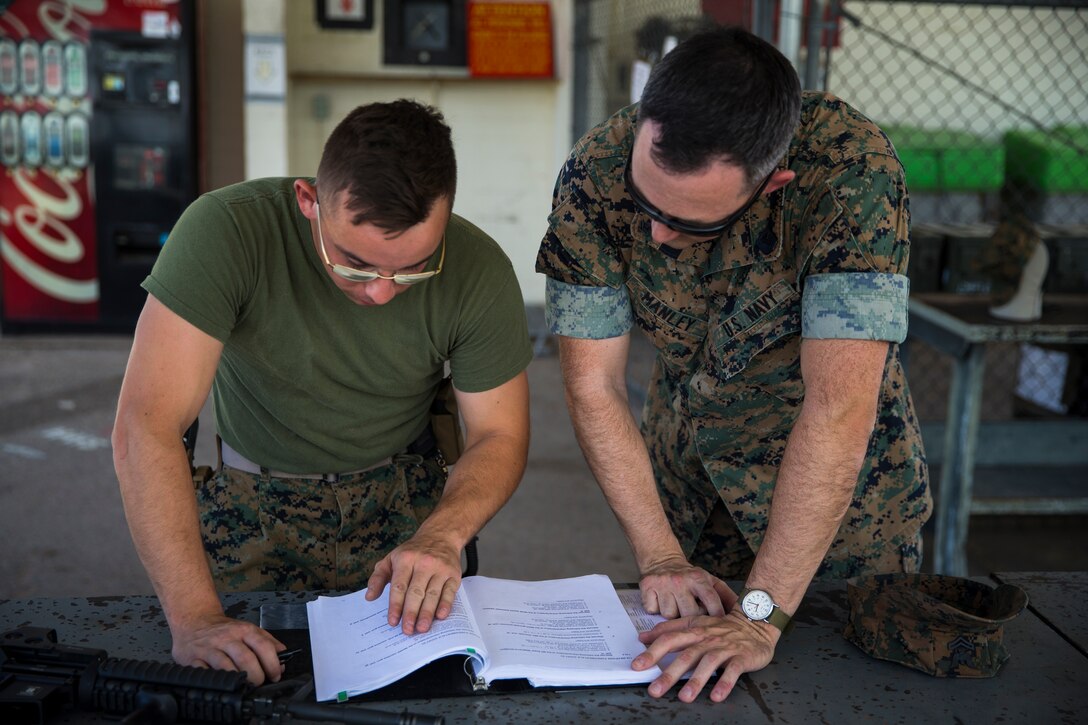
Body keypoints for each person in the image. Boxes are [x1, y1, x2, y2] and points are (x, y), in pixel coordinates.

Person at [536, 27, 931, 702]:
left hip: (839, 517)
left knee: (847, 696)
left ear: (771, 184)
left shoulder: (850, 176)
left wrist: (762, 613)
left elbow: (838, 405)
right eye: (645, 203)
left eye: (689, 223)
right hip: (688, 495)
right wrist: (660, 553)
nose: (657, 235)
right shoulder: (595, 173)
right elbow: (593, 384)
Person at [114, 100, 532, 685]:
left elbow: (499, 432)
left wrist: (442, 534)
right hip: (249, 506)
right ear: (309, 202)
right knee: (235, 688)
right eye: (357, 266)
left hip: (401, 509)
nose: (383, 293)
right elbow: (146, 426)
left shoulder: (477, 267)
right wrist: (195, 617)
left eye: (413, 269)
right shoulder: (227, 231)